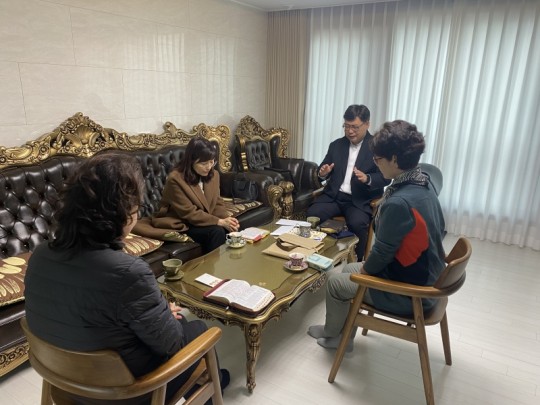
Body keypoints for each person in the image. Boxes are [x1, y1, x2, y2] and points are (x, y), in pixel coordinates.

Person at [24, 153, 229, 404]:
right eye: (136, 210)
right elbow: (173, 343)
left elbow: (91, 313)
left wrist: (158, 312)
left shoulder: (40, 256)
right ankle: (214, 386)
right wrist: (164, 314)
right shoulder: (128, 273)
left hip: (65, 385)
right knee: (198, 330)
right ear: (122, 215)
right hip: (123, 394)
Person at [308, 120, 446, 352]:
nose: (375, 162)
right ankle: (340, 332)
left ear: (394, 159)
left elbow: (382, 252)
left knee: (335, 283)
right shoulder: (423, 182)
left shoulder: (399, 203)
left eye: (378, 158)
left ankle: (335, 336)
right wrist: (363, 270)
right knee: (348, 269)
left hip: (411, 292)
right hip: (426, 275)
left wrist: (365, 273)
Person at [306, 104, 390, 260]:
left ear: (367, 124)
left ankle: (357, 261)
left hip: (359, 200)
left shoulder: (378, 147)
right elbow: (322, 170)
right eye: (346, 126)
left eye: (355, 127)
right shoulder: (336, 145)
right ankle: (318, 254)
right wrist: (323, 173)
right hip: (334, 197)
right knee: (313, 214)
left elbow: (386, 177)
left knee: (358, 223)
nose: (350, 131)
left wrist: (368, 178)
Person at [149, 136, 239, 253]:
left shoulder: (214, 174)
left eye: (212, 161)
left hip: (203, 219)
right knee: (216, 231)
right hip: (182, 221)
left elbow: (217, 201)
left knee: (231, 229)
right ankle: (211, 264)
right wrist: (219, 222)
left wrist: (227, 219)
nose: (209, 167)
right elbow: (189, 213)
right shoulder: (175, 179)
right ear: (191, 161)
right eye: (203, 163)